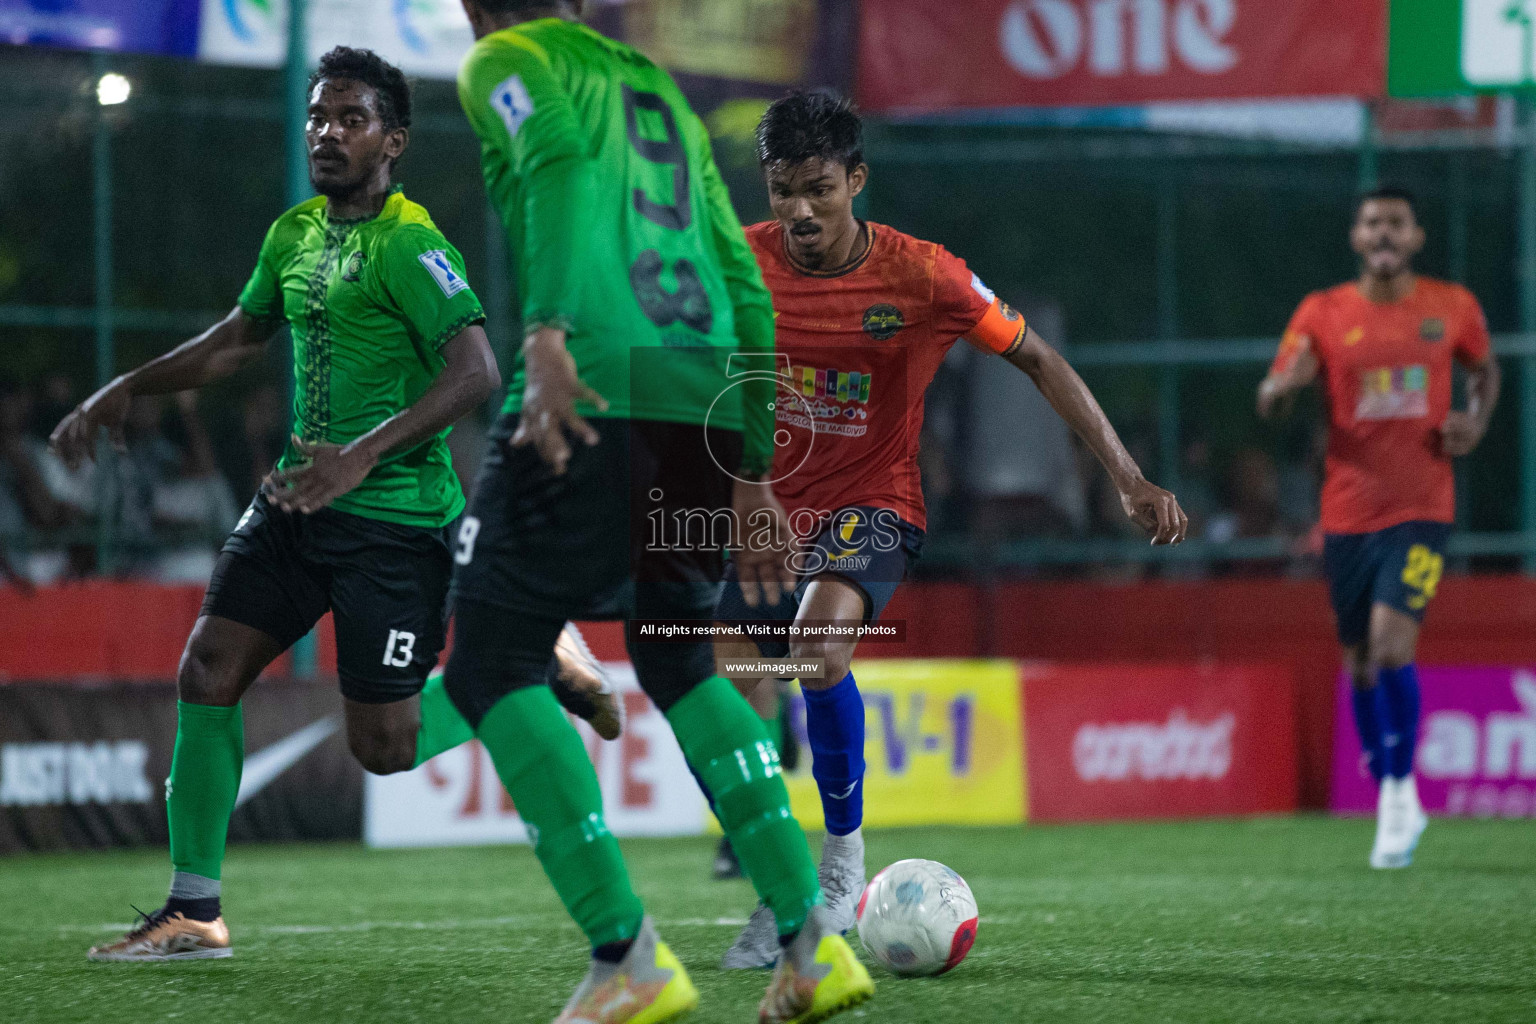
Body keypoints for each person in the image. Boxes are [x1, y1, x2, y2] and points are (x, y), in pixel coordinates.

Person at [56, 47, 602, 963]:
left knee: (383, 748)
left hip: (393, 522)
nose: (326, 133)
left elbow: (477, 372)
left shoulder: (413, 243)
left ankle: (531, 664)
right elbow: (237, 340)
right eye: (318, 117)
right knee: (206, 671)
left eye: (350, 119)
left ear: (393, 139)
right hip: (293, 507)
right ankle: (194, 910)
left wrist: (358, 456)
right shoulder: (296, 233)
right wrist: (129, 387)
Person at [447, 4, 873, 1022]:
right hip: (694, 396)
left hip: (593, 378)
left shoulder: (506, 58)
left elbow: (551, 157)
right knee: (679, 658)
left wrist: (546, 327)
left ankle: (625, 954)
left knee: (490, 661)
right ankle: (811, 947)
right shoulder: (655, 90)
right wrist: (755, 463)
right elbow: (742, 280)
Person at [711, 91, 1187, 968]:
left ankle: (840, 868)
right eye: (783, 191)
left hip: (874, 502)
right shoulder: (737, 264)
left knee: (818, 651)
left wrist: (1127, 477)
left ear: (856, 178)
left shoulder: (924, 276)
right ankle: (780, 889)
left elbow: (1038, 357)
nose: (801, 211)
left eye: (819, 188)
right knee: (716, 693)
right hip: (765, 507)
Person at [1258, 185, 1500, 869]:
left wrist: (1475, 423)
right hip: (1347, 517)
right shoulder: (1324, 312)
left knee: (1393, 646)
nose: (1385, 232)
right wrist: (1280, 392)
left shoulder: (1452, 307)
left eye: (1396, 222)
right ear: (1357, 238)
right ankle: (1392, 785)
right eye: (1373, 223)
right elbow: (1277, 386)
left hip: (1423, 508)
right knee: (1360, 660)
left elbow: (1487, 371)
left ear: (1416, 236)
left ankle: (1398, 794)